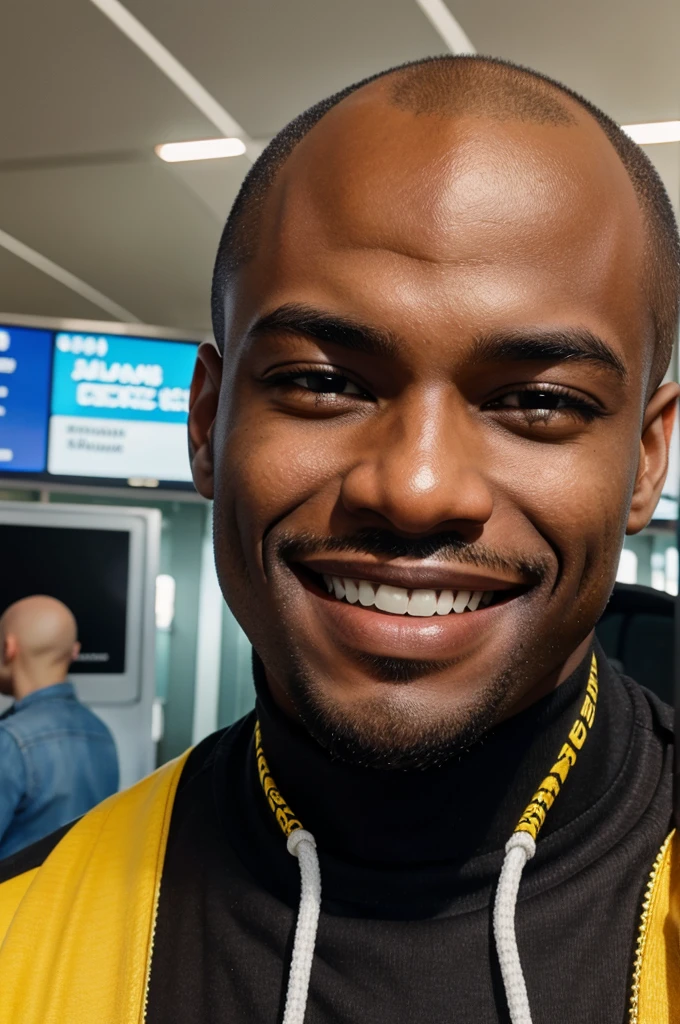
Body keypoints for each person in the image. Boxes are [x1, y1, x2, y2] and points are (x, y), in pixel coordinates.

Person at [1, 54, 679, 1023]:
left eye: (536, 401)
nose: (413, 488)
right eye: (323, 382)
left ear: (645, 462)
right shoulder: (21, 937)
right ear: (206, 423)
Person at [0, 595, 118, 858]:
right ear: (74, 651)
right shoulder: (102, 733)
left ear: (9, 648)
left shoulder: (10, 740)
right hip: (81, 897)